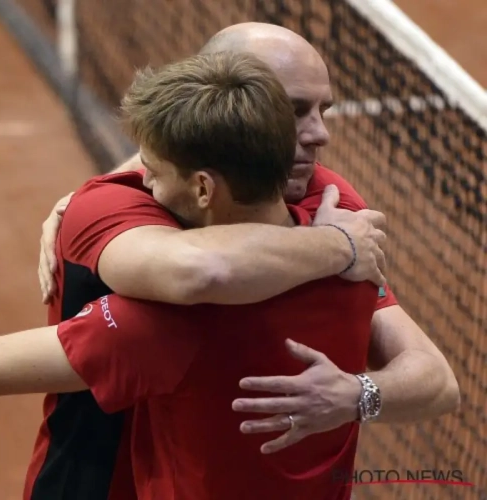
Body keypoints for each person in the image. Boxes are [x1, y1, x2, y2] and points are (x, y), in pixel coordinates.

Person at [0, 51, 387, 499]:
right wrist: (361, 387)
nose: (143, 188)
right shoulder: (352, 253)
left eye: (153, 175)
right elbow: (433, 380)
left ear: (204, 189)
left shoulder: (162, 323)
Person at [32, 21, 460, 499]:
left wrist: (356, 395)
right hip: (93, 477)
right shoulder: (119, 205)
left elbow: (435, 378)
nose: (320, 134)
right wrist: (339, 247)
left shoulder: (329, 203)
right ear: (234, 102)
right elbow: (198, 271)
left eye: (324, 110)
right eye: (295, 111)